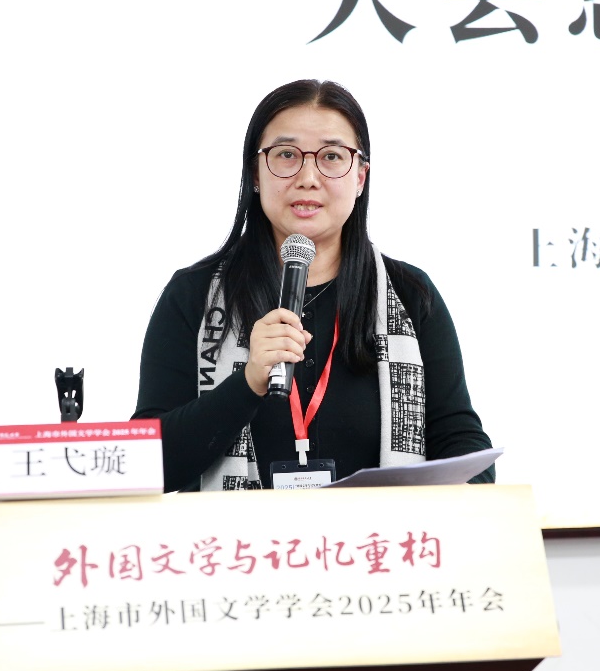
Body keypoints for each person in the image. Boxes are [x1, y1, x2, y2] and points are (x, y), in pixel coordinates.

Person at [133, 80, 494, 491]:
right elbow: (149, 464)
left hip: (376, 533)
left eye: (331, 157)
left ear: (360, 178)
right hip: (239, 536)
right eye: (286, 155)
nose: (307, 177)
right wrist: (248, 382)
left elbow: (462, 442)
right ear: (255, 173)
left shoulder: (411, 295)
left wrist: (467, 493)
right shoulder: (193, 296)